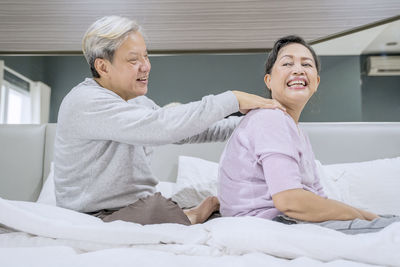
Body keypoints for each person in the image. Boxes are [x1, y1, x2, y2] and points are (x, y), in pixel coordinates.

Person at [53, 15, 285, 226]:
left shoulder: (136, 103)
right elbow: (163, 127)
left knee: (159, 204)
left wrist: (253, 123)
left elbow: (188, 131)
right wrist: (232, 99)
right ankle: (191, 215)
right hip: (92, 216)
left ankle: (182, 214)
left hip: (134, 207)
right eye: (133, 60)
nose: (146, 66)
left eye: (146, 55)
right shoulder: (85, 102)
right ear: (103, 66)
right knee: (157, 206)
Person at [218, 35, 400, 234]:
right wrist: (364, 216)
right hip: (275, 225)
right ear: (269, 81)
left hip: (295, 222)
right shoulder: (270, 119)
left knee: (390, 221)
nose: (298, 69)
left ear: (317, 82)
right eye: (287, 63)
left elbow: (318, 199)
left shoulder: (296, 131)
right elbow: (289, 201)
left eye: (307, 64)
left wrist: (368, 216)